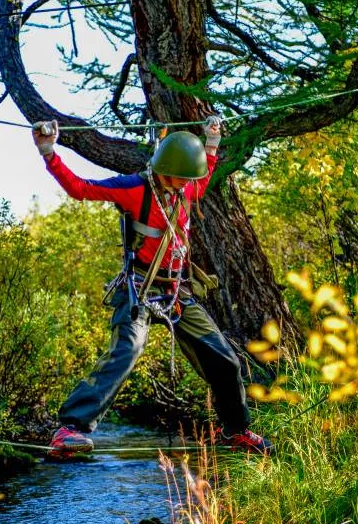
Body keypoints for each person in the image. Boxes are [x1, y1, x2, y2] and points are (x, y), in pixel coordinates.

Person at [31, 116, 273, 458]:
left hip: (177, 292)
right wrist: (49, 152)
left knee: (226, 361)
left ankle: (235, 430)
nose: (184, 185)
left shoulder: (186, 186)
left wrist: (212, 143)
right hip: (140, 288)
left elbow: (202, 181)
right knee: (127, 350)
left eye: (188, 179)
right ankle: (70, 429)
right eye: (180, 178)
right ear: (164, 169)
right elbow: (80, 189)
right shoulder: (134, 188)